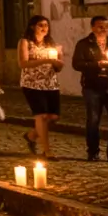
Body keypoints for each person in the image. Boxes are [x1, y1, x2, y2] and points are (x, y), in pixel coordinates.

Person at [72, 16, 108, 163]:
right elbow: (77, 64)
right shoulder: (84, 44)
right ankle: (93, 152)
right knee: (93, 121)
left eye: (106, 26)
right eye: (100, 26)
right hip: (93, 87)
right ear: (92, 27)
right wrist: (97, 64)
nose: (103, 29)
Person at [19, 15, 63, 159]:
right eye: (41, 25)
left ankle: (31, 136)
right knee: (42, 116)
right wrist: (45, 60)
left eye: (46, 25)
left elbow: (58, 66)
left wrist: (57, 62)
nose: (44, 28)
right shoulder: (25, 42)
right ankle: (47, 150)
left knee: (53, 116)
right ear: (32, 27)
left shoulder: (51, 44)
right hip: (32, 83)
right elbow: (23, 63)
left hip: (50, 84)